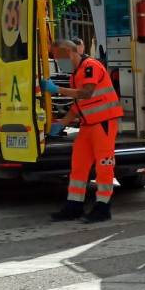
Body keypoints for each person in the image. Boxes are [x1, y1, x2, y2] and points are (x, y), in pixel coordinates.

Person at [41, 39, 123, 223]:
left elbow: (87, 93)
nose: (57, 61)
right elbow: (79, 105)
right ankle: (74, 206)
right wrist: (62, 123)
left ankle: (103, 207)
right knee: (78, 166)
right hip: (89, 125)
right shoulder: (75, 74)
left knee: (104, 166)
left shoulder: (90, 66)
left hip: (104, 123)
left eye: (58, 57)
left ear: (70, 53)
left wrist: (57, 90)